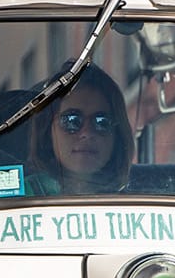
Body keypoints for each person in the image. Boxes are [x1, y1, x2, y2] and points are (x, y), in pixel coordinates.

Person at [28, 64, 134, 196]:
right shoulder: (19, 200)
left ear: (117, 137)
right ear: (47, 131)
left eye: (102, 122)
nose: (86, 133)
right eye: (71, 120)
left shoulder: (136, 209)